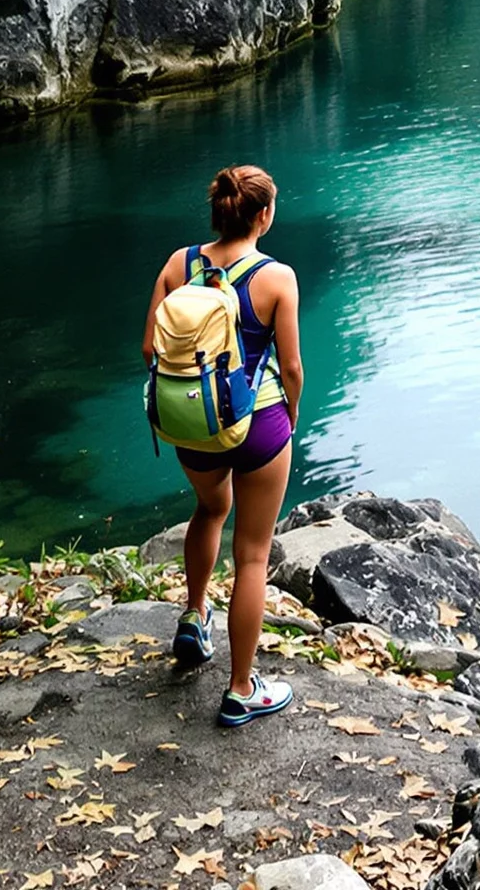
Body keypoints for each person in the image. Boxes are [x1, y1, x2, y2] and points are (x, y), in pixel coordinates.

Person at [143, 164, 304, 727]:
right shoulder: (276, 277)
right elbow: (290, 366)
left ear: (217, 212)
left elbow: (149, 350)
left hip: (193, 420)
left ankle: (193, 616)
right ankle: (241, 689)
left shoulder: (178, 265)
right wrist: (291, 411)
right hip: (257, 425)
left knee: (211, 507)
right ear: (263, 215)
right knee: (253, 554)